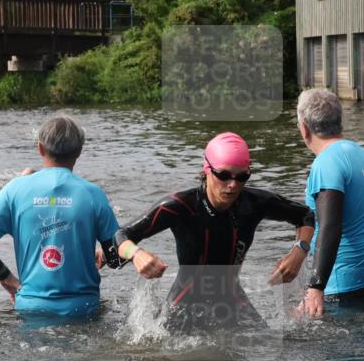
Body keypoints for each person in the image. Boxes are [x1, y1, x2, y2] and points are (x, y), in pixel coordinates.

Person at [115, 132, 315, 331]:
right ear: (207, 170)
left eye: (242, 177)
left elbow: (306, 215)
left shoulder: (255, 203)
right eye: (224, 175)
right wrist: (136, 254)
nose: (233, 185)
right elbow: (121, 236)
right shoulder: (180, 206)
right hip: (185, 302)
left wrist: (299, 252)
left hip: (232, 298)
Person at [0, 115, 121, 318]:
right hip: (83, 309)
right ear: (79, 151)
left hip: (30, 308)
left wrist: (5, 276)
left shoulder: (15, 189)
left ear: (40, 148)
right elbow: (117, 258)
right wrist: (106, 255)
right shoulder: (93, 194)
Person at [295, 89, 364, 318]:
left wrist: (316, 286)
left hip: (348, 286)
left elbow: (330, 225)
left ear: (304, 128)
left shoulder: (326, 163)